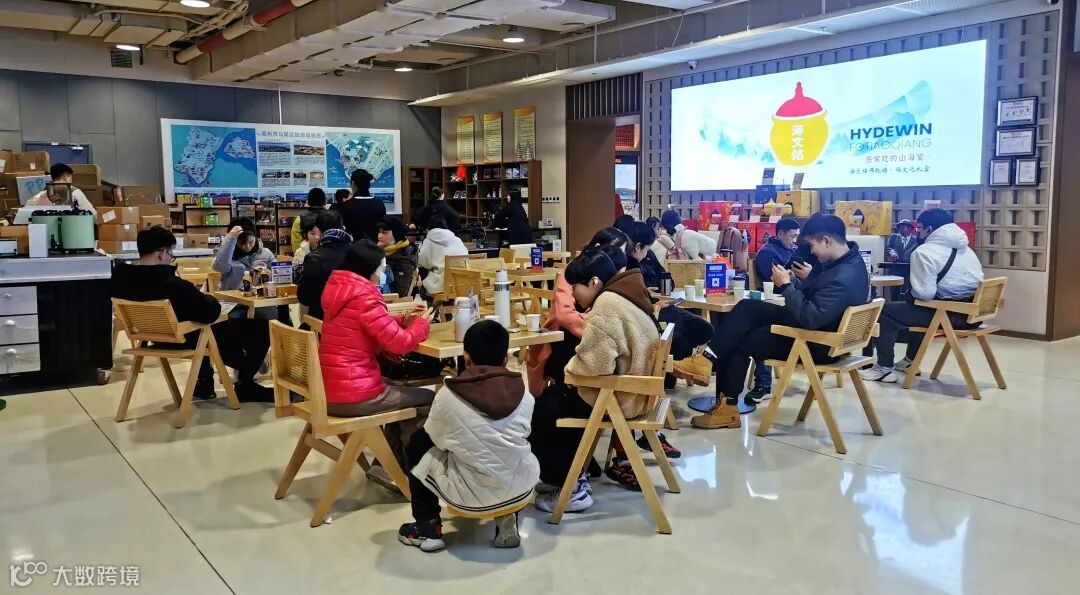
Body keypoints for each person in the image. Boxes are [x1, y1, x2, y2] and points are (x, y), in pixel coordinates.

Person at [692, 214, 870, 429]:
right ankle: (706, 360)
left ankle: (726, 407)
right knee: (747, 308)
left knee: (739, 337)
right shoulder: (849, 262)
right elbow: (823, 300)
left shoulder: (843, 276)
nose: (811, 251)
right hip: (819, 329)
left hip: (816, 342)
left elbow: (810, 317)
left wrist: (786, 286)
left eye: (812, 245)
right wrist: (809, 279)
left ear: (826, 240)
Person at [532, 246, 660, 509]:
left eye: (575, 287)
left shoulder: (606, 307)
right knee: (558, 398)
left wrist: (568, 370)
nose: (573, 294)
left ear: (593, 282)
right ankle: (572, 475)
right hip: (638, 391)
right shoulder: (626, 292)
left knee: (545, 410)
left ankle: (570, 488)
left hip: (621, 397)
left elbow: (592, 366)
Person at [399, 321, 540, 553]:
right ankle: (507, 517)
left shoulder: (447, 396)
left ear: (466, 358)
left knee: (417, 444)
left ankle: (427, 528)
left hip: (468, 498)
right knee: (509, 450)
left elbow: (433, 439)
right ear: (505, 358)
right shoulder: (525, 395)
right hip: (520, 490)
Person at [111, 227, 273, 402]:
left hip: (150, 336)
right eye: (171, 254)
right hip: (183, 338)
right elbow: (210, 312)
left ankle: (205, 381)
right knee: (260, 328)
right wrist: (208, 298)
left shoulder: (121, 280)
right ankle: (245, 383)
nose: (170, 259)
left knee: (204, 326)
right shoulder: (173, 285)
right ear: (162, 254)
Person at [318, 240, 436, 460]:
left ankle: (389, 466)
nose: (383, 275)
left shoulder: (340, 290)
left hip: (329, 390)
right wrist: (421, 325)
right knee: (428, 398)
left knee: (403, 392)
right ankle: (412, 465)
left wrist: (402, 321)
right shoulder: (365, 296)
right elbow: (400, 344)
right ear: (369, 270)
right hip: (354, 395)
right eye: (381, 270)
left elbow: (364, 326)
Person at [861, 209, 984, 383]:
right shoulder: (967, 250)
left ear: (929, 229)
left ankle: (884, 368)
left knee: (885, 310)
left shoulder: (924, 252)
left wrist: (913, 293)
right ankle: (910, 362)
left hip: (948, 316)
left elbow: (925, 294)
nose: (917, 232)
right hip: (973, 316)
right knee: (916, 307)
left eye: (919, 228)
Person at [625, 221, 713, 387]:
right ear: (637, 247)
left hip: (663, 302)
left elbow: (665, 275)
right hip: (650, 309)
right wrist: (647, 294)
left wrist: (664, 286)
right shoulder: (627, 265)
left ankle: (677, 367)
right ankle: (673, 371)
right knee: (676, 335)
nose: (648, 251)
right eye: (646, 248)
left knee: (705, 328)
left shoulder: (648, 256)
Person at [745, 218, 800, 403]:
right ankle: (763, 384)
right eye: (792, 236)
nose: (795, 241)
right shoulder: (767, 253)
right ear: (780, 234)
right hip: (776, 301)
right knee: (761, 331)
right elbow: (773, 280)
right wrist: (792, 275)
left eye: (797, 237)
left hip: (795, 301)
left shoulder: (794, 251)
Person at [298, 210, 353, 321]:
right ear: (342, 227)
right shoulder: (357, 252)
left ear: (318, 230)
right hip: (353, 321)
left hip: (321, 322)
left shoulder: (314, 258)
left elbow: (304, 298)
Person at [213, 220, 274, 292]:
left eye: (250, 242)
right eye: (242, 243)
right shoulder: (226, 253)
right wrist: (230, 238)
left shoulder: (266, 253)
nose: (247, 247)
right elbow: (220, 268)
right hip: (232, 297)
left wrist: (268, 273)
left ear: (255, 237)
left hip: (259, 297)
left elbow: (277, 276)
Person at [416, 215, 468, 298]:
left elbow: (422, 262)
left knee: (421, 284)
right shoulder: (457, 239)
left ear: (428, 227)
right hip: (461, 283)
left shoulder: (429, 241)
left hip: (441, 286)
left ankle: (430, 305)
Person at [333, 169, 385, 241]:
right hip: (376, 246)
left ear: (353, 183)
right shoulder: (380, 204)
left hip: (354, 246)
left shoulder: (347, 206)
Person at [26, 163, 97, 215]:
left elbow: (28, 209)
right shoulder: (75, 192)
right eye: (71, 177)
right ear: (66, 177)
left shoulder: (42, 194)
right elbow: (93, 214)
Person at [377, 216, 417, 298]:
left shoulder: (404, 259)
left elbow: (400, 293)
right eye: (379, 232)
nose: (379, 236)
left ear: (396, 234)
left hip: (388, 301)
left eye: (384, 233)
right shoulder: (382, 251)